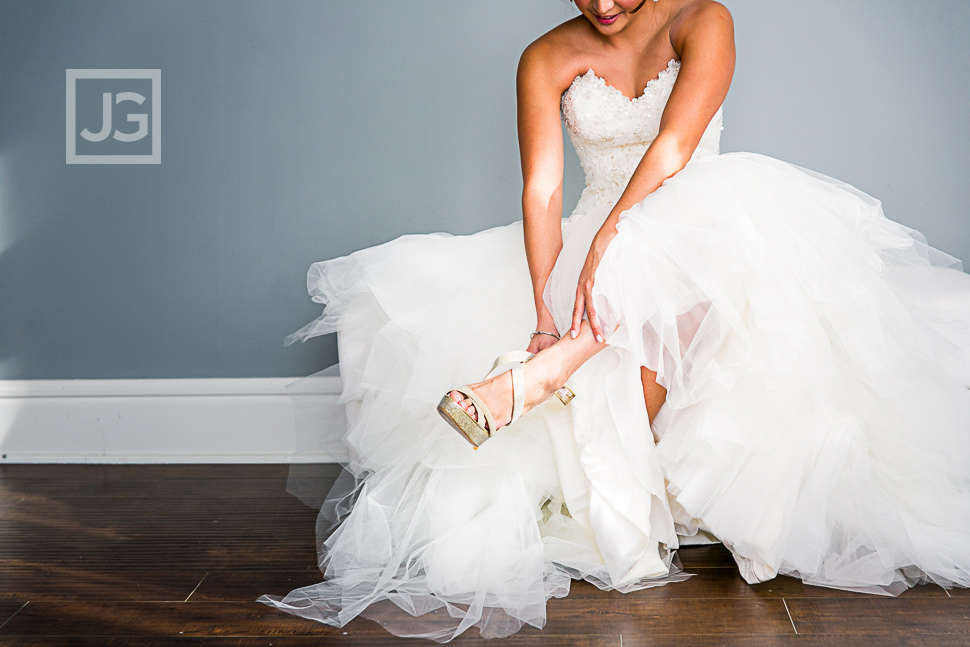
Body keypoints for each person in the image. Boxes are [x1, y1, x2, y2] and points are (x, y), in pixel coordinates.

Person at [258, 0, 970, 642]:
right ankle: (555, 355)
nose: (603, 6)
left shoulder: (705, 21)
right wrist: (545, 303)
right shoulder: (544, 57)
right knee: (610, 287)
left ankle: (547, 375)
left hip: (705, 226)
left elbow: (673, 149)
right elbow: (542, 188)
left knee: (675, 240)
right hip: (600, 237)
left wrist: (610, 240)